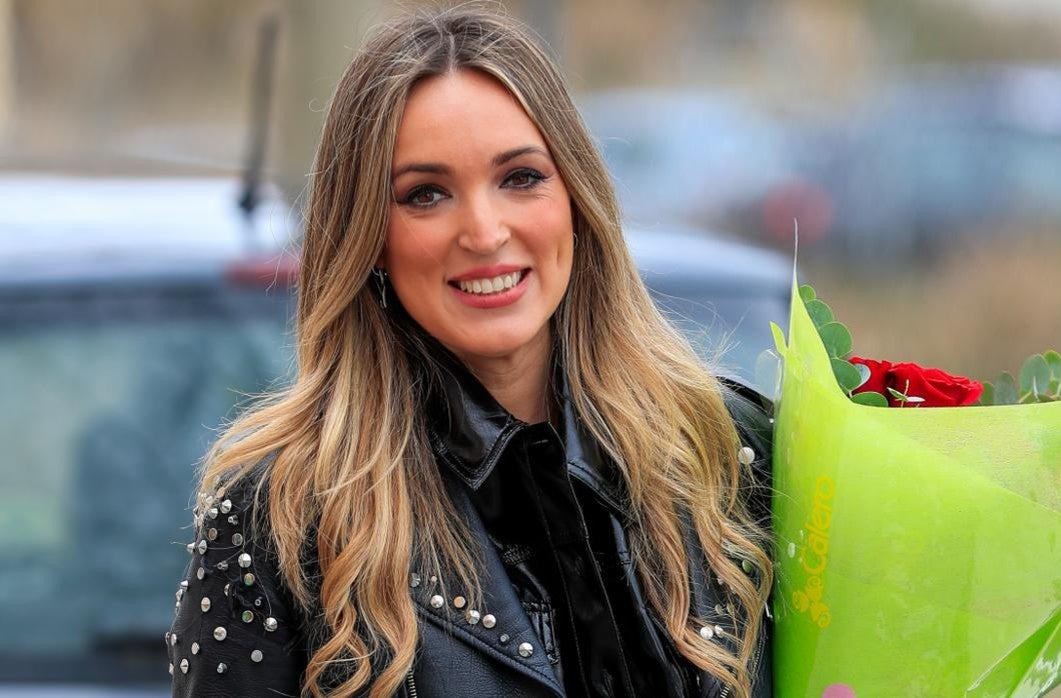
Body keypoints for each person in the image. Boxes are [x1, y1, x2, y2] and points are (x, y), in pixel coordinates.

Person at [166, 6, 774, 697]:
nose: (485, 232)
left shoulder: (724, 448)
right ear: (368, 237)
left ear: (576, 196)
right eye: (426, 195)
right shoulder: (278, 512)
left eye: (520, 177)